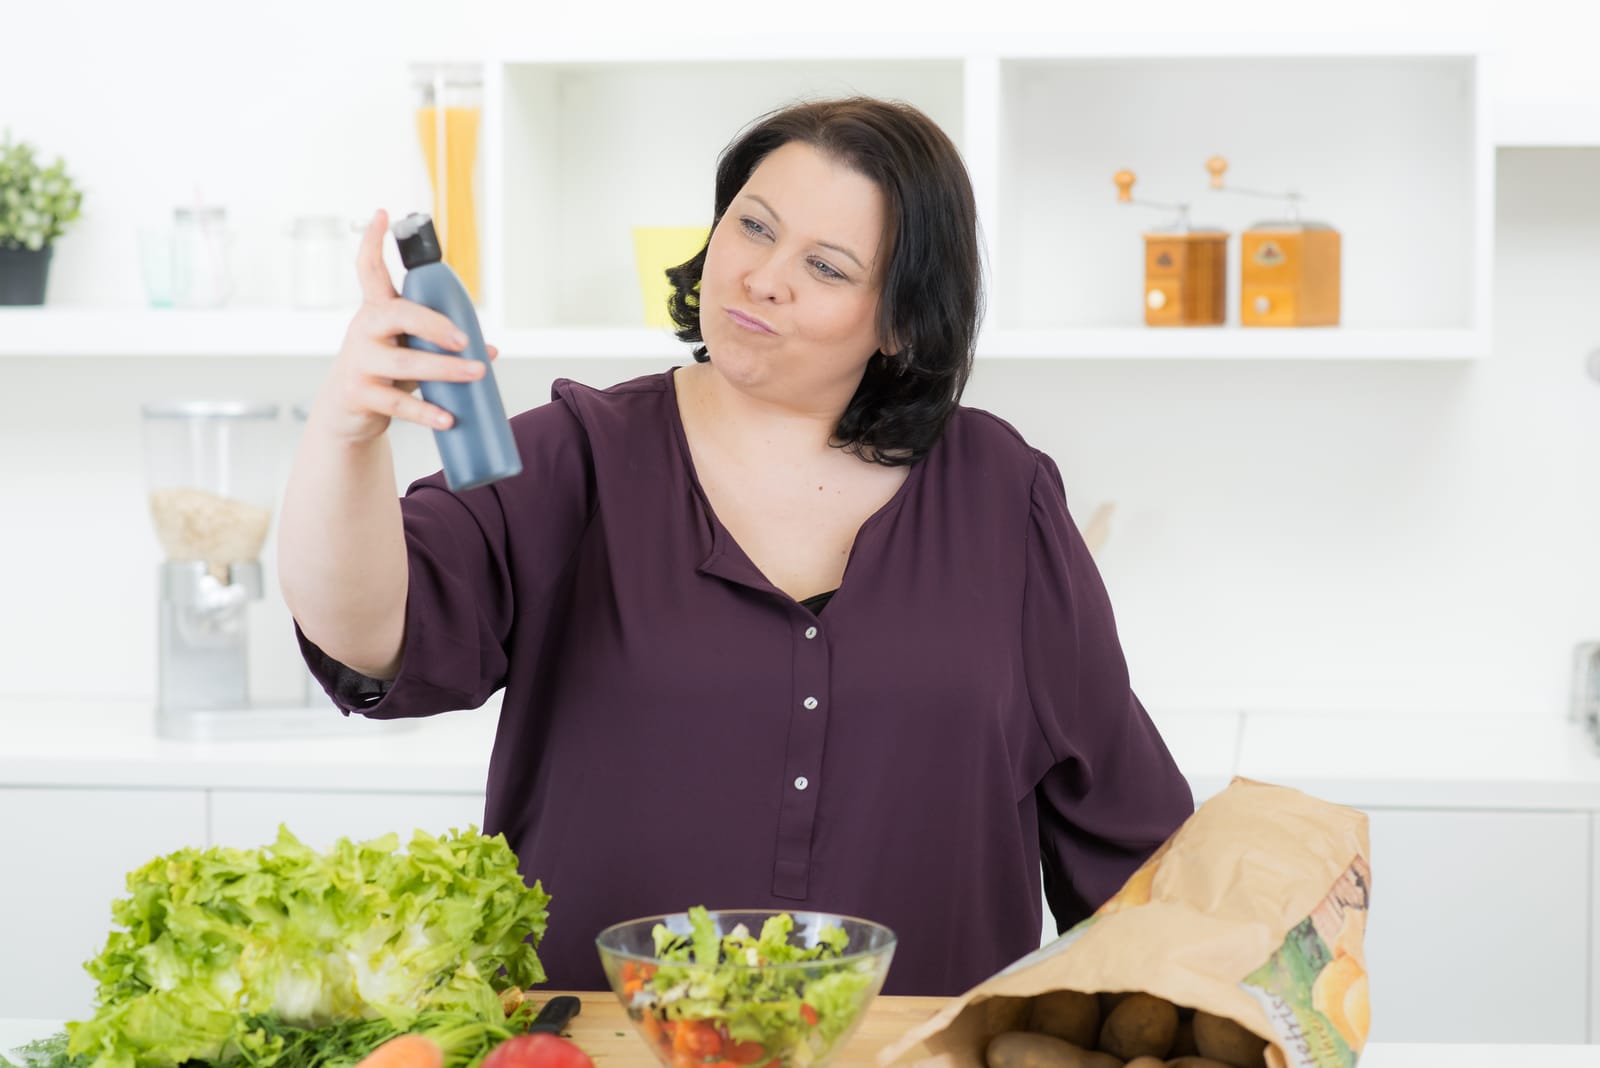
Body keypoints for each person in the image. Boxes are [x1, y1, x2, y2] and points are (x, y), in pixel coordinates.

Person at [278, 96, 1193, 997]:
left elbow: (1126, 832)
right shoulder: (576, 456)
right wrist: (346, 432)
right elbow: (368, 632)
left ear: (902, 321)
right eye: (753, 227)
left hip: (911, 1058)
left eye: (826, 266)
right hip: (602, 1053)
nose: (764, 277)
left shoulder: (999, 490)